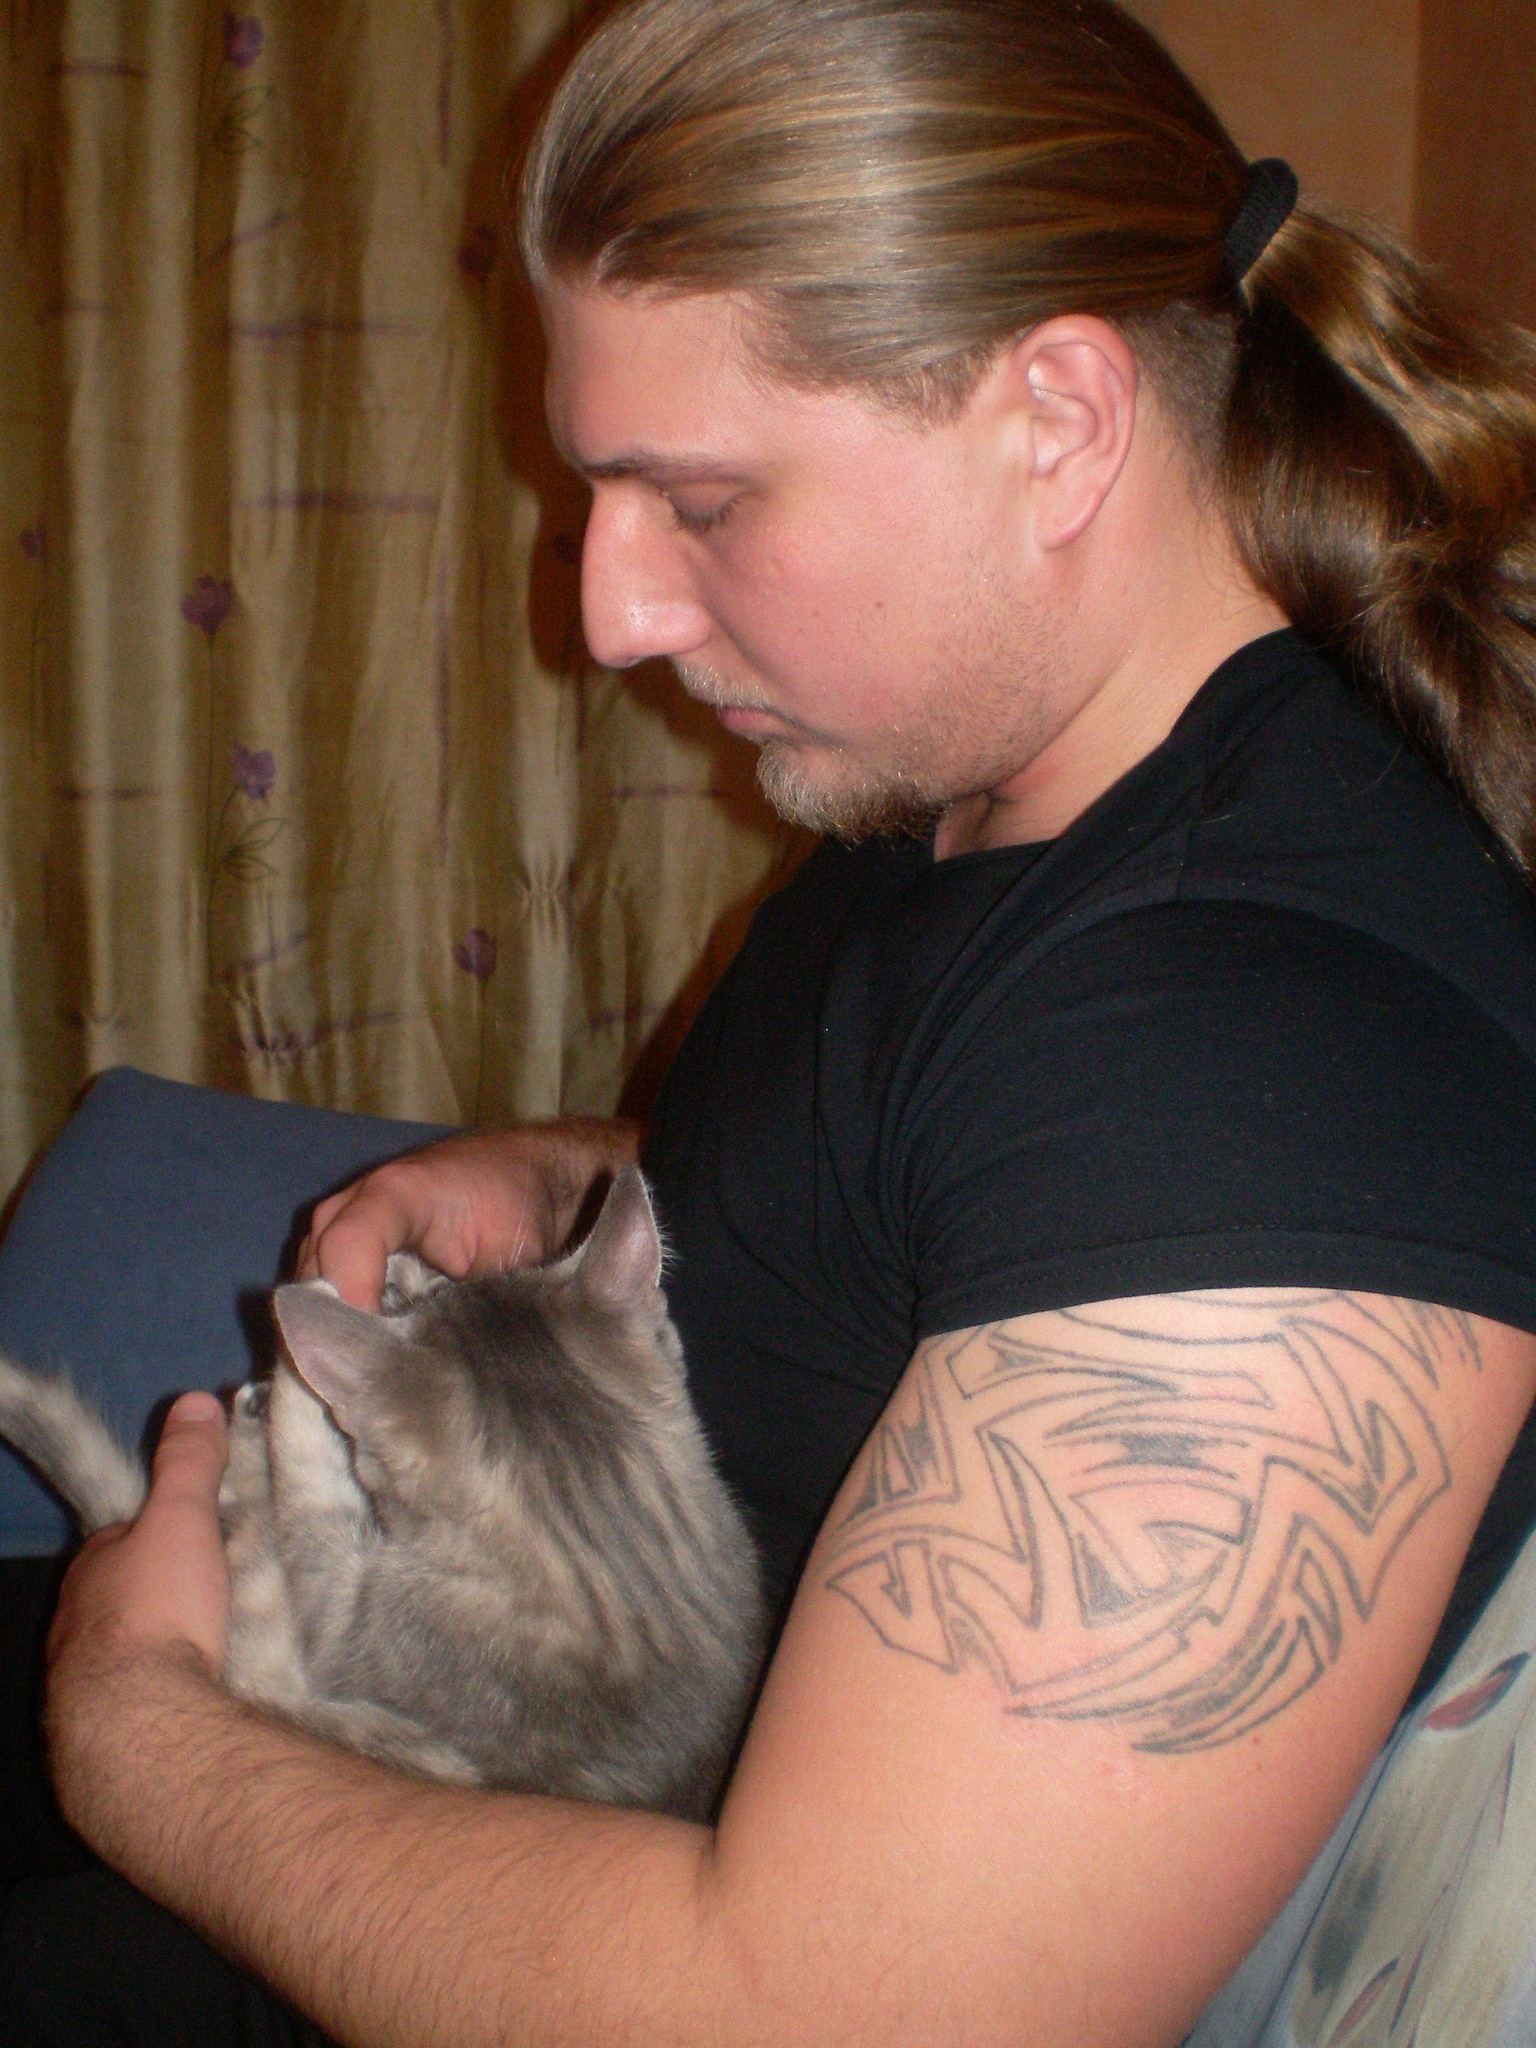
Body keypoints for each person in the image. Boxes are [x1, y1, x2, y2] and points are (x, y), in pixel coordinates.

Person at [11, 0, 1536, 2041]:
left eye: (702, 501)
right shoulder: (979, 776)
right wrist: (561, 1173)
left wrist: (136, 1724)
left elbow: (824, 2017)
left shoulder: (1257, 1072)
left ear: (1060, 424)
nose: (608, 611)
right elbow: (922, 1189)